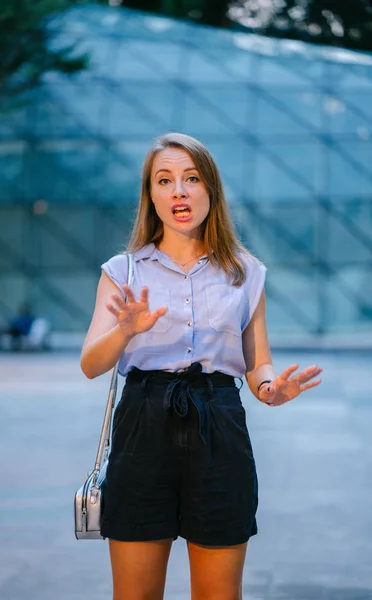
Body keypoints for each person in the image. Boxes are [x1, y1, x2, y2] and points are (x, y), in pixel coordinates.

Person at [80, 132, 323, 600]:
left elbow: (258, 363)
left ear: (210, 188)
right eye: (164, 180)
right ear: (150, 195)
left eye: (191, 179)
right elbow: (91, 364)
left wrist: (271, 388)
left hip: (220, 425)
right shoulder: (123, 271)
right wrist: (125, 331)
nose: (179, 192)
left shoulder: (245, 272)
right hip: (143, 426)